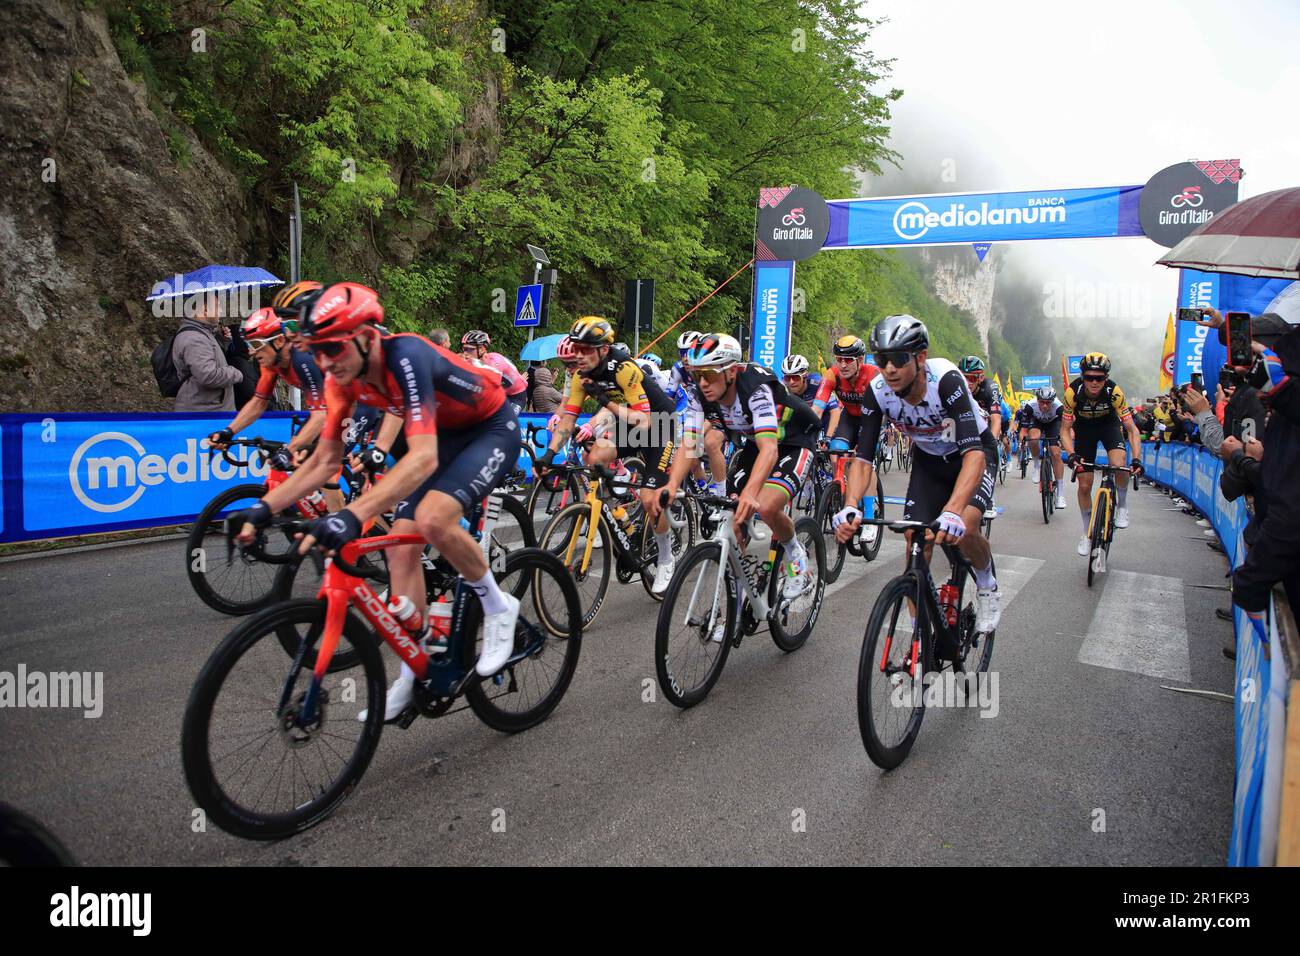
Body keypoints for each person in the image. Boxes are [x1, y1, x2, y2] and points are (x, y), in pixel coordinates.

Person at [227, 282, 522, 721]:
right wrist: (264, 508)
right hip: (443, 435)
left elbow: (421, 458)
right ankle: (413, 671)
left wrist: (350, 515)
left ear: (366, 337)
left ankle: (499, 605)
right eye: (317, 350)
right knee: (403, 548)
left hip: (489, 427)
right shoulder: (339, 375)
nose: (324, 361)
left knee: (433, 518)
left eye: (332, 349)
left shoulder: (407, 355)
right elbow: (326, 462)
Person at [832, 315, 1001, 632]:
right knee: (915, 537)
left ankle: (986, 582)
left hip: (973, 453)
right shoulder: (878, 391)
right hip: (929, 460)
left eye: (898, 358)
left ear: (920, 357)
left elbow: (974, 455)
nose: (889, 368)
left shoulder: (946, 381)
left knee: (966, 525)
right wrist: (851, 504)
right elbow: (863, 458)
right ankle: (919, 642)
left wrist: (951, 510)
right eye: (882, 359)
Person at [654, 333, 823, 602]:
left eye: (709, 373)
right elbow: (690, 442)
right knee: (731, 520)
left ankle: (797, 558)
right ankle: (741, 597)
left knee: (765, 505)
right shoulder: (701, 393)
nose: (703, 382)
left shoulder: (756, 390)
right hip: (757, 443)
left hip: (794, 441)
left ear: (731, 371)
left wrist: (751, 493)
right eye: (697, 374)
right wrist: (672, 484)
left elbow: (771, 450)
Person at [540, 317, 680, 592]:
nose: (578, 356)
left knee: (651, 498)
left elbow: (644, 421)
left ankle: (666, 557)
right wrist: (548, 454)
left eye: (585, 349)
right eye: (576, 349)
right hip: (630, 423)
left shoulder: (624, 369)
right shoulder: (582, 374)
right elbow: (568, 420)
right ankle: (618, 513)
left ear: (604, 349)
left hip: (659, 424)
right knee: (594, 457)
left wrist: (608, 404)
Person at [1061, 352, 1143, 555]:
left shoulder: (1114, 392)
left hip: (1109, 426)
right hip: (1085, 430)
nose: (1094, 382)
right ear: (1082, 377)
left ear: (1106, 378)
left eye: (1099, 378)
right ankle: (1087, 532)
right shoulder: (1073, 393)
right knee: (1085, 484)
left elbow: (1132, 429)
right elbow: (1064, 430)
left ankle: (1122, 505)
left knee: (1119, 464)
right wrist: (1071, 454)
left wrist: (1137, 459)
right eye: (1089, 377)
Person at [172, 292, 244, 412]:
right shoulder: (195, 338)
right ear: (205, 309)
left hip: (210, 410)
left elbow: (210, 359)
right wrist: (235, 373)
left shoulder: (203, 333)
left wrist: (224, 342)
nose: (221, 311)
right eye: (218, 306)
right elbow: (208, 376)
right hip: (204, 415)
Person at [460, 330, 528, 411]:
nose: (465, 353)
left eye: (470, 349)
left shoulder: (495, 363)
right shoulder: (472, 361)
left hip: (516, 396)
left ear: (482, 349)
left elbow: (490, 393)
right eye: (464, 349)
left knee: (502, 420)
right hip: (503, 393)